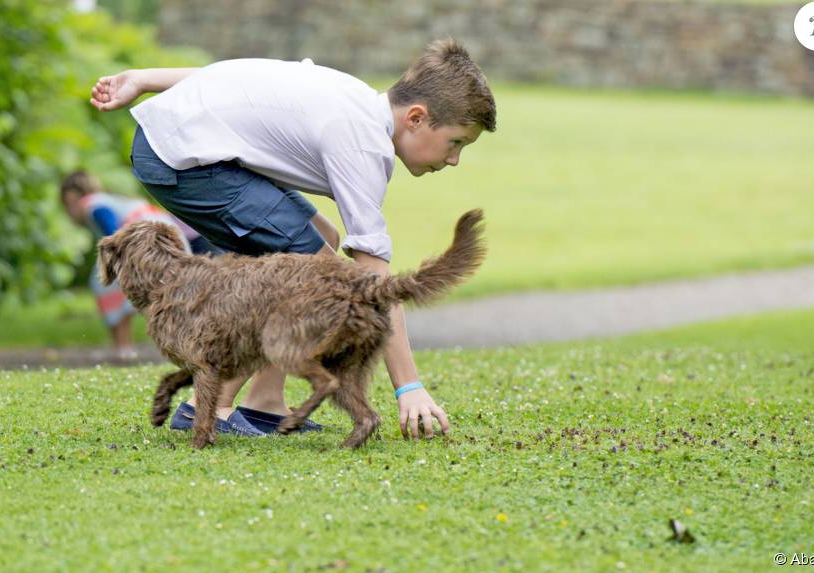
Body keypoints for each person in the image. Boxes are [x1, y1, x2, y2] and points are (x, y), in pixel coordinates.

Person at [89, 39, 496, 439]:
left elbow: (239, 79)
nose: (454, 158)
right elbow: (373, 278)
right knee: (308, 271)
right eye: (455, 141)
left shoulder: (354, 96)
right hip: (180, 161)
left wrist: (144, 79)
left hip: (176, 147)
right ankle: (207, 407)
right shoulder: (361, 144)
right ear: (417, 117)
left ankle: (265, 403)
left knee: (323, 237)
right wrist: (409, 387)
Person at [60, 170, 218, 359]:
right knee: (171, 295)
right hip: (170, 238)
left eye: (69, 204)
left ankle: (123, 347)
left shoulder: (93, 205)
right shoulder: (111, 199)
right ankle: (191, 343)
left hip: (151, 244)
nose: (71, 211)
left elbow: (113, 234)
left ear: (75, 198)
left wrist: (117, 264)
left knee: (103, 284)